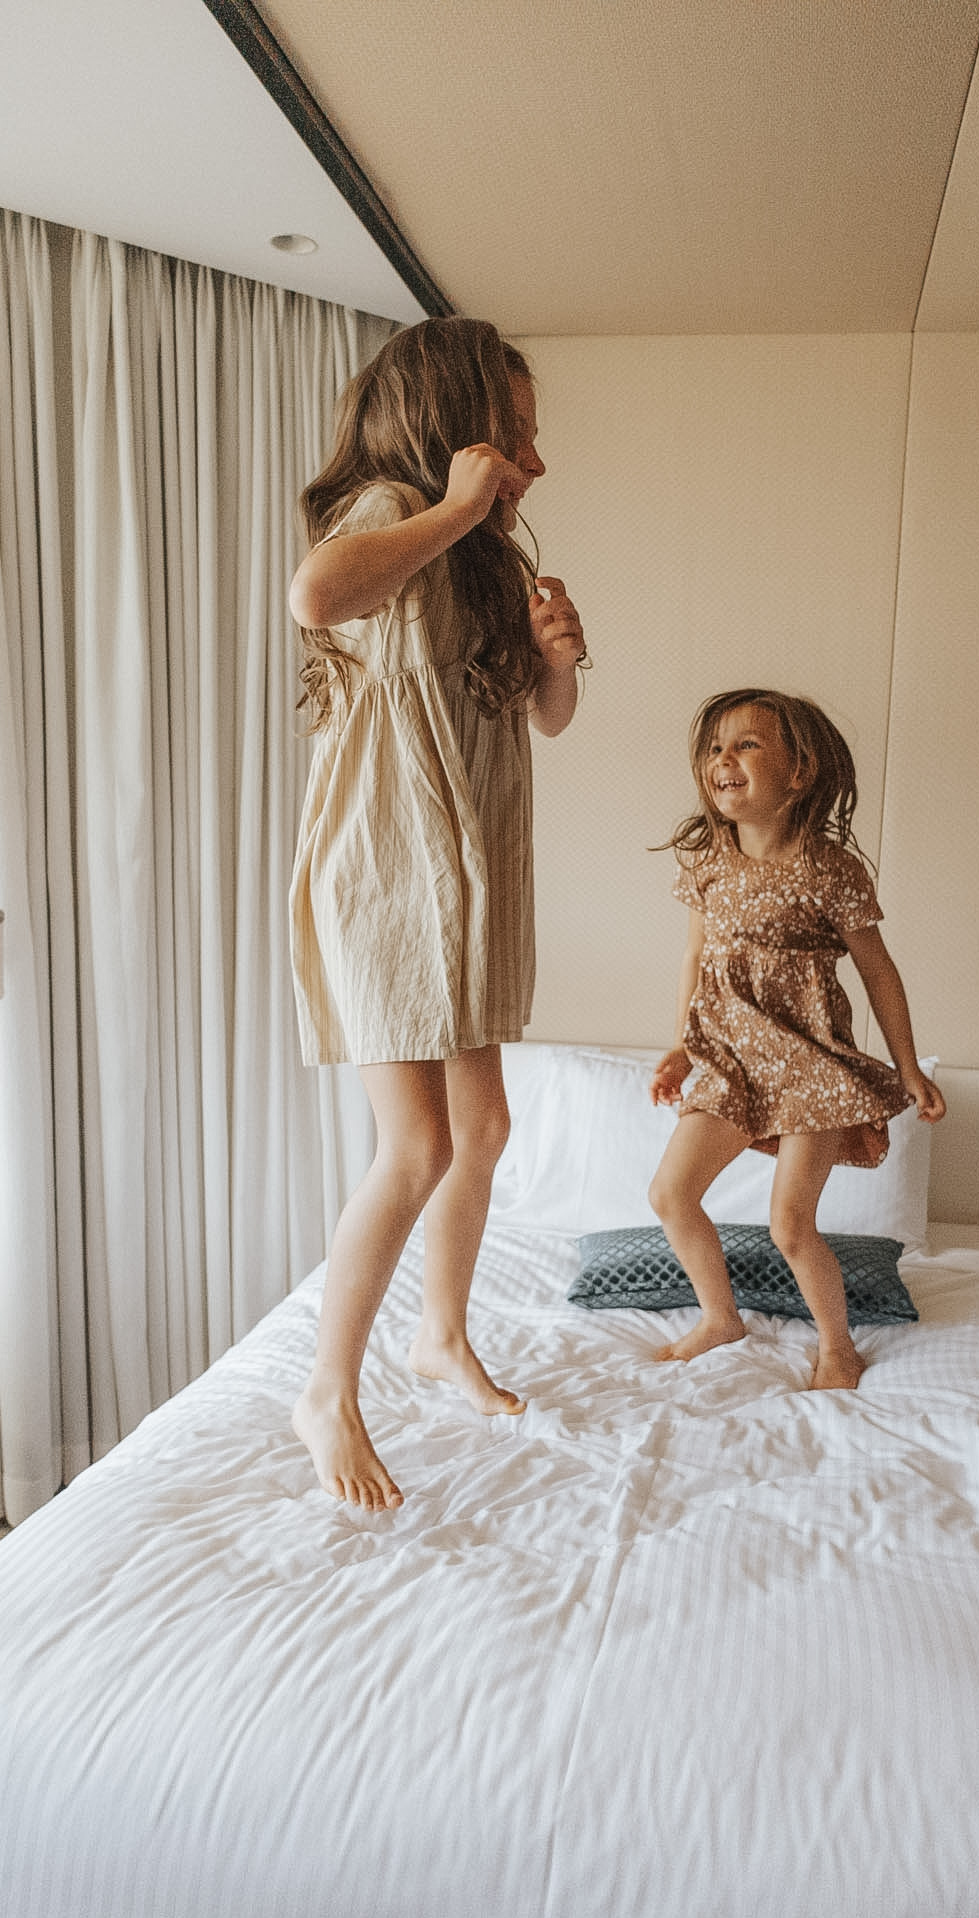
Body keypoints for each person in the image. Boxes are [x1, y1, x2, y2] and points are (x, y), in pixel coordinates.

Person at [288, 318, 586, 1511]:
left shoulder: (483, 560)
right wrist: (461, 507)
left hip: (460, 878)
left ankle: (441, 1335)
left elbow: (543, 719)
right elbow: (316, 595)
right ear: (456, 427)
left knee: (484, 1127)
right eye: (517, 435)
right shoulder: (390, 510)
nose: (535, 462)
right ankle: (324, 1388)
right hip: (390, 876)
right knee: (416, 1143)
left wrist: (558, 659)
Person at [648, 689, 944, 1390]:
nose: (723, 759)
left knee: (789, 1224)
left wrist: (907, 1066)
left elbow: (878, 970)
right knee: (670, 1194)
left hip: (809, 1069)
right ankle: (720, 1317)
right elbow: (695, 958)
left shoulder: (829, 869)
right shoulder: (706, 863)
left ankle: (836, 1346)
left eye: (746, 744)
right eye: (715, 747)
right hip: (728, 1065)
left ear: (800, 771)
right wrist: (681, 1047)